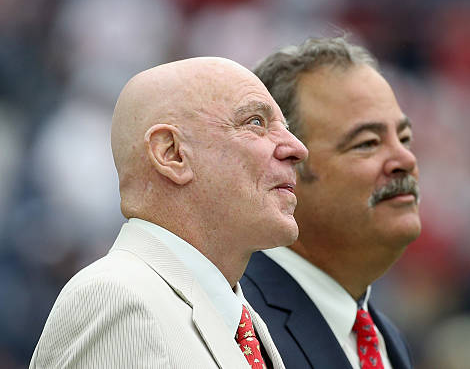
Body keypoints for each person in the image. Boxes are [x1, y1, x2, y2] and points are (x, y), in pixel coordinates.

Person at [30, 57, 308, 368]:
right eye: (255, 122)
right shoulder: (119, 300)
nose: (297, 148)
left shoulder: (239, 318)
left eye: (285, 128)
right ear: (171, 153)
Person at [241, 37, 419, 369]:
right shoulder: (240, 326)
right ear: (285, 167)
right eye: (368, 143)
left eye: (405, 138)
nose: (405, 159)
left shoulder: (383, 336)